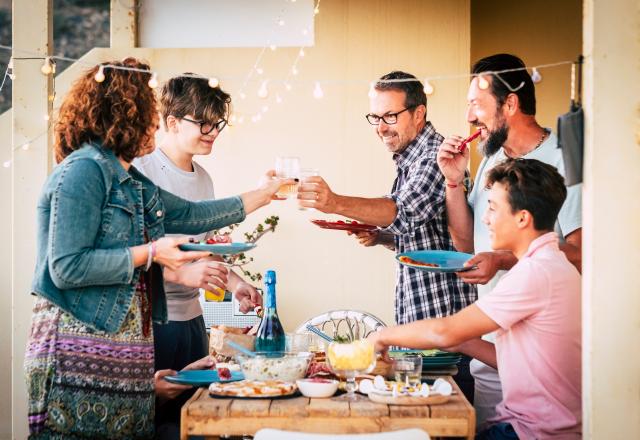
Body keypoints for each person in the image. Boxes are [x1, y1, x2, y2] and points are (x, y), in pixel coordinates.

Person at [23, 58, 291, 439]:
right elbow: (65, 267)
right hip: (75, 351)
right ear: (125, 113)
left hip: (119, 345)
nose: (156, 120)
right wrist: (151, 253)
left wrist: (263, 194)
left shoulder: (127, 178)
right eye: (150, 110)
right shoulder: (82, 171)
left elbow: (192, 215)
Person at [368, 158, 582, 439]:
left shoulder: (534, 273)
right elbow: (519, 362)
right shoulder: (554, 265)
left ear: (522, 218)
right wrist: (464, 340)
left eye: (492, 208)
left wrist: (381, 336)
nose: (485, 219)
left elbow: (444, 332)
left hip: (530, 433)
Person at [298, 71, 477, 399]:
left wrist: (334, 202)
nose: (381, 127)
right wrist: (382, 238)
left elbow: (404, 211)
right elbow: (425, 233)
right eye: (376, 117)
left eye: (390, 116)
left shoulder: (434, 157)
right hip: (423, 333)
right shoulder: (409, 161)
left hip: (447, 339)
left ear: (419, 113)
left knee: (445, 425)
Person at [436, 53, 582, 424]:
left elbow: (582, 254)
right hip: (493, 355)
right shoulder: (492, 159)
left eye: (476, 105)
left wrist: (501, 259)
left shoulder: (565, 158)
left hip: (542, 360)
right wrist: (453, 182)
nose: (469, 117)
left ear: (511, 103)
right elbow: (468, 244)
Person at [133, 75, 263, 439]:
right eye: (203, 122)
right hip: (153, 325)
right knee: (154, 424)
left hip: (193, 322)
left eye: (217, 123)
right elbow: (132, 260)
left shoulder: (203, 179)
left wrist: (236, 284)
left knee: (195, 423)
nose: (213, 132)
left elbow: (205, 252)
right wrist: (179, 276)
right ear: (171, 122)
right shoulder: (143, 171)